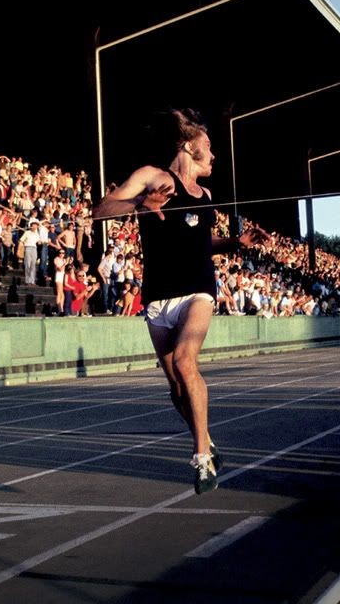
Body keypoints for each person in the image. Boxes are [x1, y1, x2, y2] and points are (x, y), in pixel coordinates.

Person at [92, 108, 267, 494]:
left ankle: (201, 456)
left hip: (198, 289)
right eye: (209, 146)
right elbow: (101, 211)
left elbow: (204, 243)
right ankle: (207, 440)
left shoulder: (206, 196)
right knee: (175, 384)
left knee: (187, 362)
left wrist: (236, 242)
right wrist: (142, 204)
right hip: (158, 295)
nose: (214, 155)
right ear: (189, 146)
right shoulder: (152, 177)